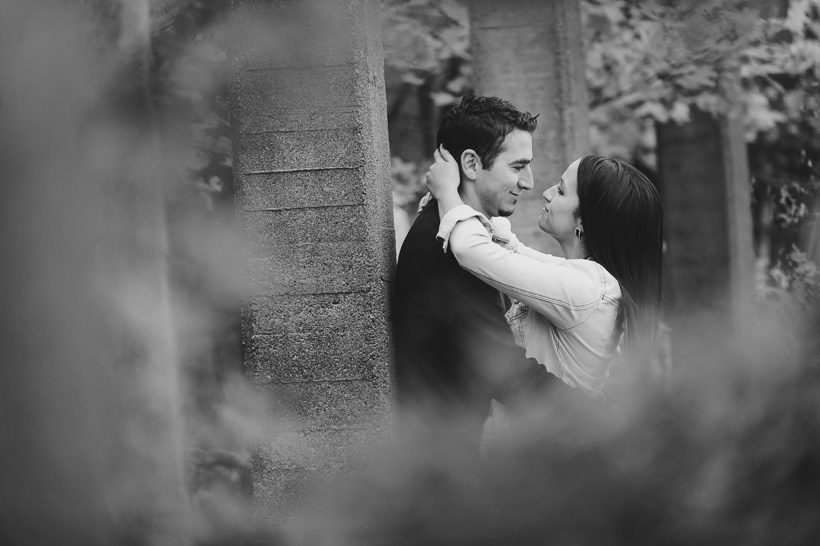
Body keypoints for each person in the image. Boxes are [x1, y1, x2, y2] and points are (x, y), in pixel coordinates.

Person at [391, 95, 568, 453]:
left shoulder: (456, 233)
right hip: (438, 459)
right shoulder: (447, 247)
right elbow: (502, 368)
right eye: (518, 167)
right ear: (471, 164)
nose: (530, 182)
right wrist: (601, 416)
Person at [425, 149, 663, 401]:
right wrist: (478, 193)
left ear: (583, 221)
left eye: (561, 191)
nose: (546, 193)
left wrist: (447, 192)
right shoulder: (583, 278)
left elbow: (469, 249)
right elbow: (513, 251)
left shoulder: (589, 288)